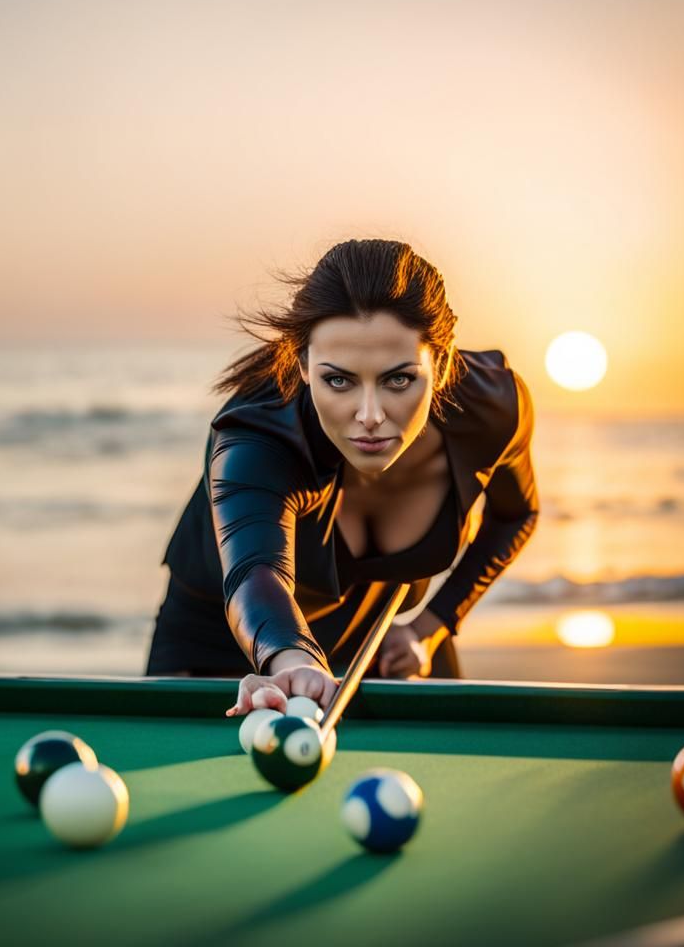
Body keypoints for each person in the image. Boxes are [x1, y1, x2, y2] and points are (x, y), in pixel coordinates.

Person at [144, 239, 539, 718]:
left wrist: (429, 626)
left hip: (382, 642)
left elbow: (516, 515)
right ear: (303, 366)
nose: (369, 416)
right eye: (339, 380)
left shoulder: (491, 409)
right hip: (222, 652)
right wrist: (293, 659)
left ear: (443, 363)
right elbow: (256, 572)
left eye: (398, 379)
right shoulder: (253, 440)